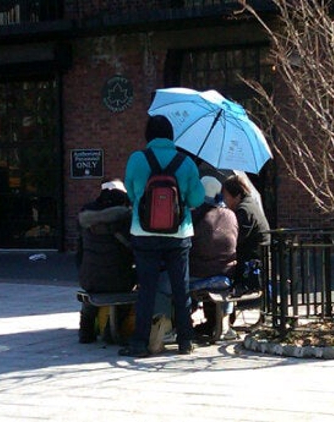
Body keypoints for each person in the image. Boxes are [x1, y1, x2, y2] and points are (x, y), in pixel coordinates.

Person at [120, 114, 204, 358]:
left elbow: (133, 193)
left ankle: (139, 342)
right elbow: (197, 198)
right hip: (179, 234)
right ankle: (185, 339)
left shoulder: (137, 159)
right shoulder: (185, 162)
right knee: (181, 287)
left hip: (144, 234)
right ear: (171, 135)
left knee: (146, 288)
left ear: (149, 135)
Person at [77, 179, 136, 344]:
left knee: (94, 287)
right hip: (119, 280)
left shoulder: (85, 218)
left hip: (88, 278)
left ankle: (86, 331)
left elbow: (79, 253)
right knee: (131, 284)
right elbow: (134, 249)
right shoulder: (126, 218)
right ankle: (114, 328)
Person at [189, 176, 239, 340]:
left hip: (200, 272)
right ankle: (222, 325)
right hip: (227, 272)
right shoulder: (231, 215)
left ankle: (177, 325)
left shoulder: (196, 216)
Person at [221, 175, 271, 293]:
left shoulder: (244, 211)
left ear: (237, 195)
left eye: (226, 196)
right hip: (257, 256)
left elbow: (235, 239)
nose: (224, 201)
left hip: (252, 260)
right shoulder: (249, 204)